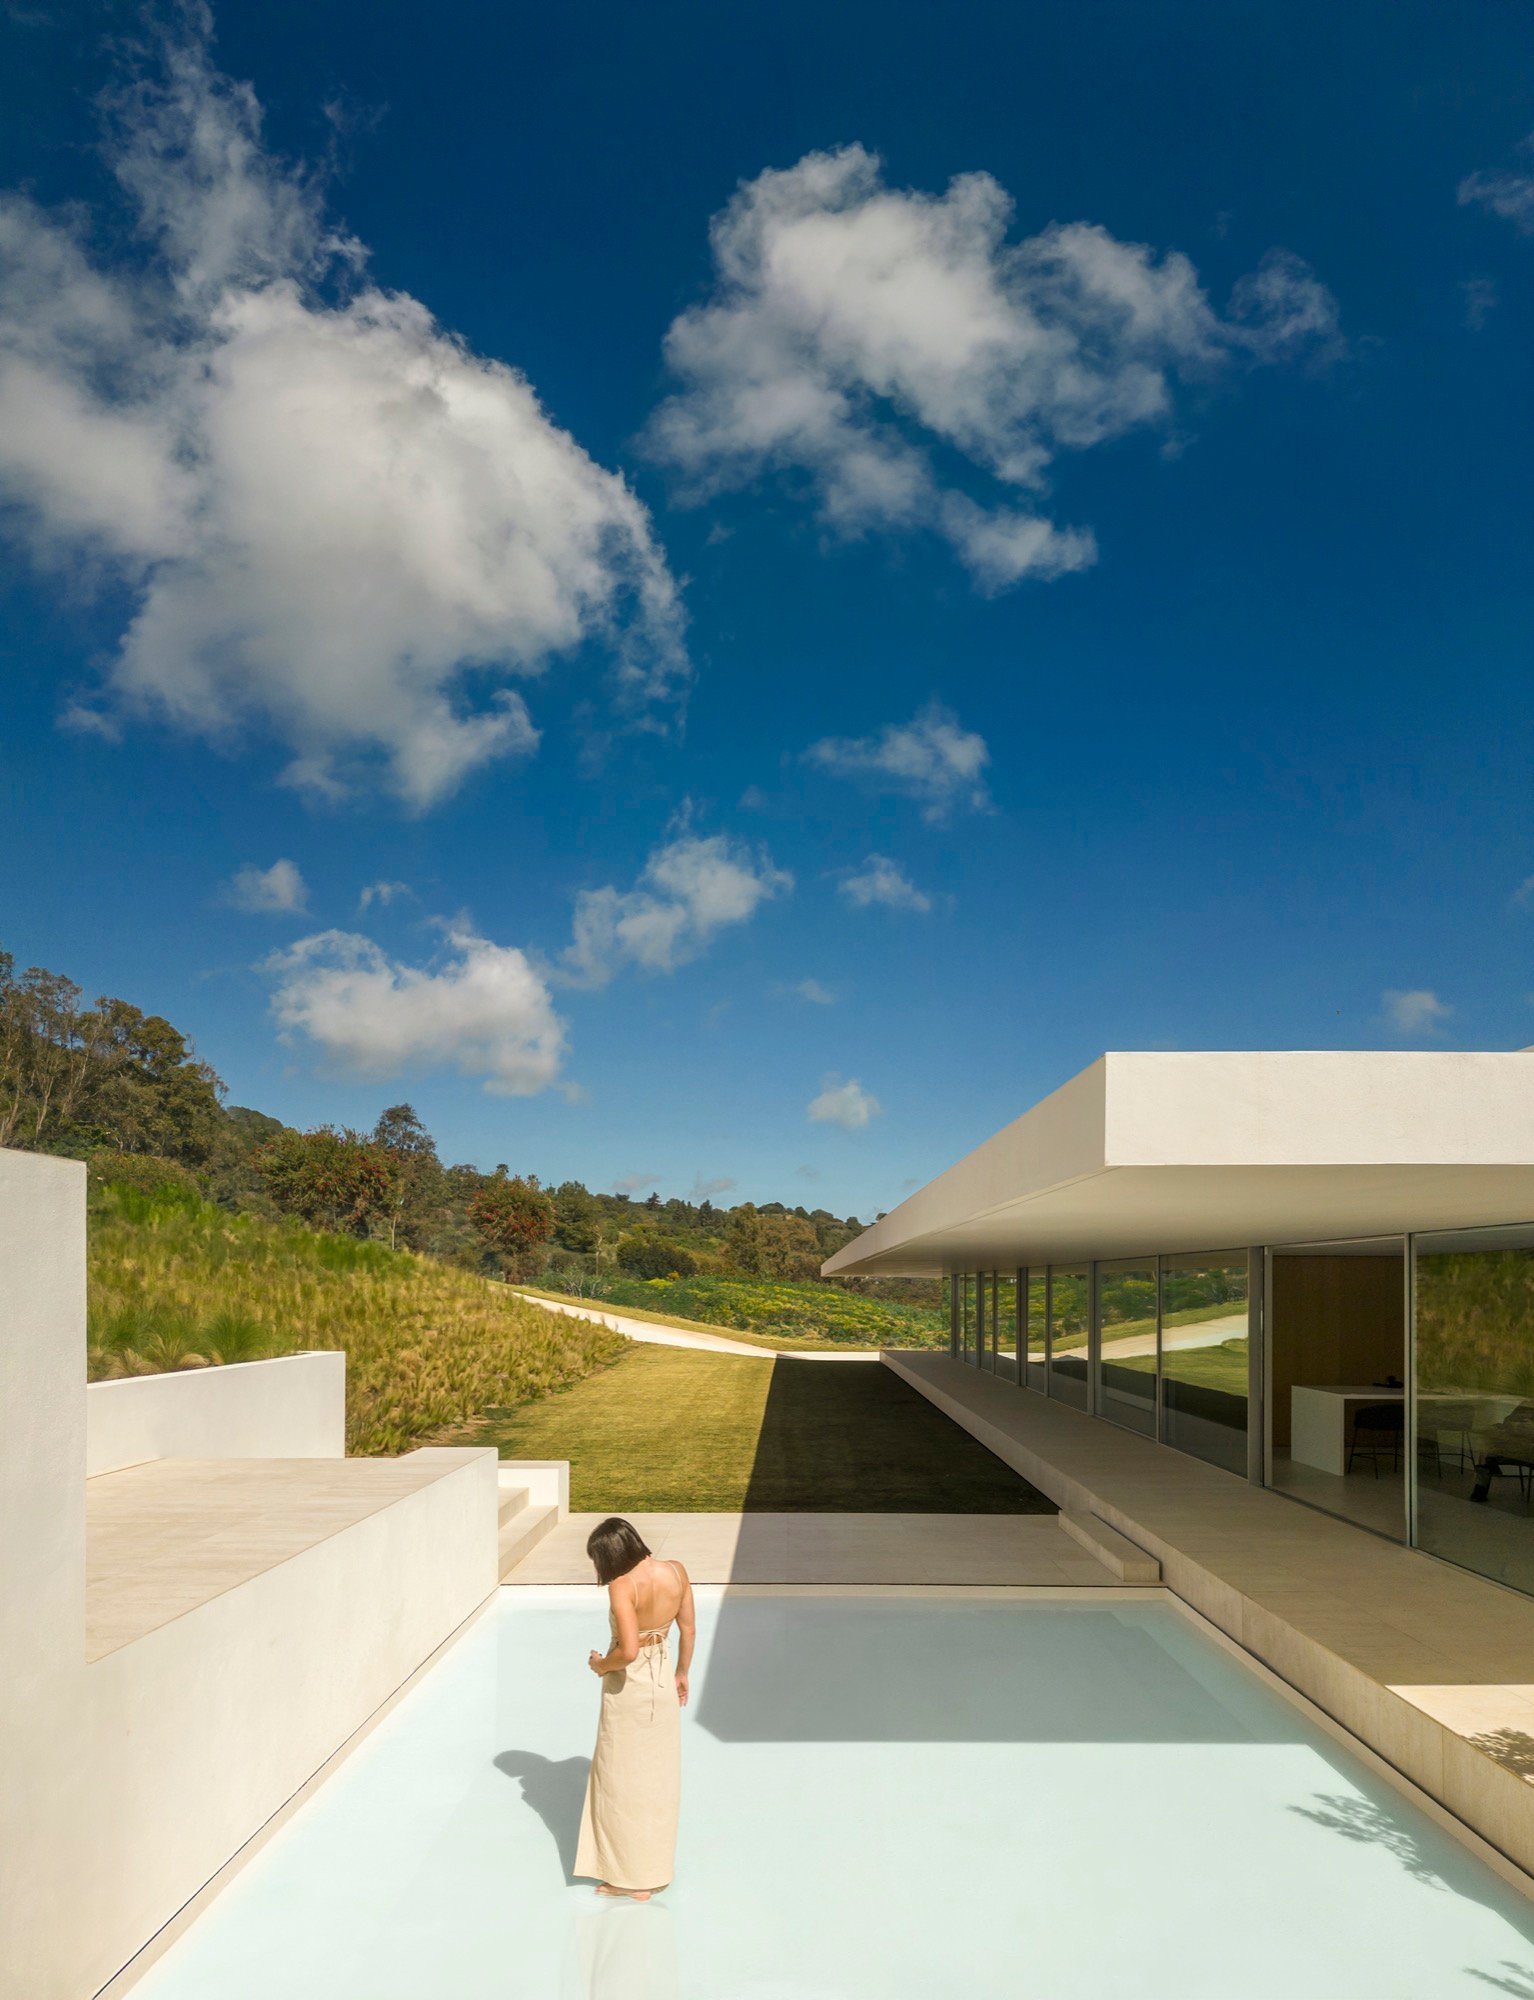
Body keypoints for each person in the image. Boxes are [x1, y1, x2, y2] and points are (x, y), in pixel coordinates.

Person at [575, 1517, 694, 1900]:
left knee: (619, 1781)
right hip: (663, 1682)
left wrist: (599, 1665)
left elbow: (626, 1652)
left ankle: (629, 1879)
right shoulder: (677, 1570)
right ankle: (654, 1872)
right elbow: (688, 1630)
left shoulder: (622, 1587)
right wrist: (681, 1673)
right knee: (656, 1781)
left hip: (629, 1689)